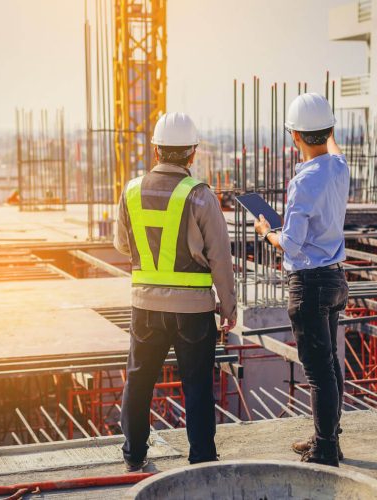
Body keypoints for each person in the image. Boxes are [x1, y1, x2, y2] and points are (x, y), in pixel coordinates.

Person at [114, 112, 237, 471]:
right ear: (192, 153)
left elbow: (123, 245)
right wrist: (228, 307)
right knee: (197, 385)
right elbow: (221, 258)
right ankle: (201, 458)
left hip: (145, 306)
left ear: (156, 149)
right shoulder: (200, 196)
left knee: (139, 379)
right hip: (193, 311)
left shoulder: (131, 190)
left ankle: (134, 452)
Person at [254, 93, 349, 467]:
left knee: (319, 371)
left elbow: (291, 245)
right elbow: (334, 150)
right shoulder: (339, 168)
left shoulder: (304, 180)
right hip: (334, 280)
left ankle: (325, 448)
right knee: (329, 365)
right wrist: (327, 130)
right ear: (327, 132)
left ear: (294, 136)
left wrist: (265, 230)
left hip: (309, 284)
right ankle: (328, 437)